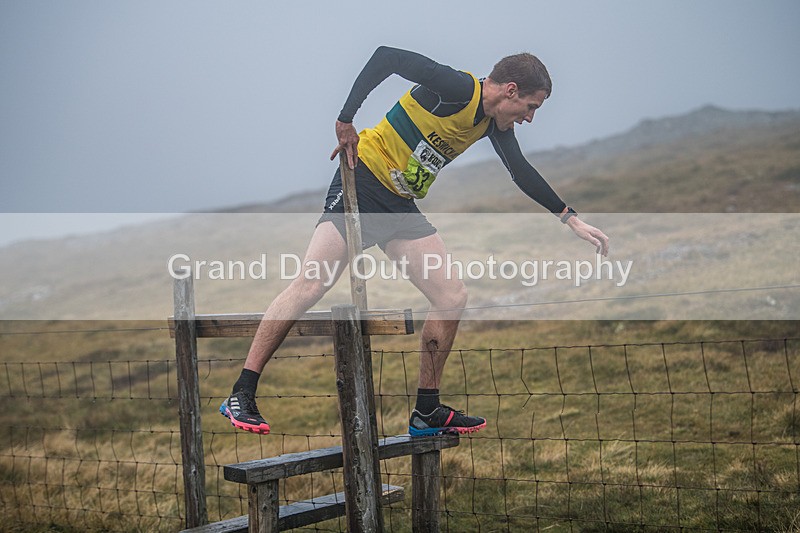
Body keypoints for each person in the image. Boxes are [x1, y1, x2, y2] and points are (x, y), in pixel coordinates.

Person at [220, 46, 609, 436]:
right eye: (531, 106)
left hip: (400, 207)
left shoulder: (492, 123)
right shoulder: (456, 88)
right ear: (510, 90)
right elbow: (387, 56)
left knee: (451, 296)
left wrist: (569, 218)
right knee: (311, 283)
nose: (529, 117)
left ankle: (426, 410)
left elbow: (519, 170)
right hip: (363, 183)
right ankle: (242, 392)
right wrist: (345, 119)